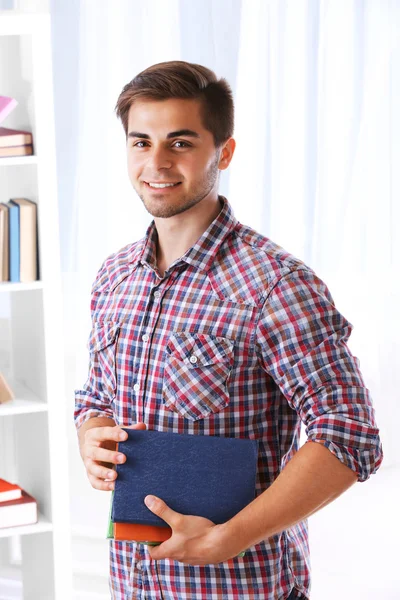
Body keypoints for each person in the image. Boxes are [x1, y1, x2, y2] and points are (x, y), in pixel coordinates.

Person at [74, 60, 383, 600]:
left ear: (225, 152)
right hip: (133, 583)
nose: (157, 162)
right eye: (141, 142)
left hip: (239, 587)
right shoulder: (113, 275)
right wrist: (91, 431)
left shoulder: (275, 285)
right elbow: (97, 394)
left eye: (181, 143)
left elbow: (348, 434)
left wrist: (229, 538)